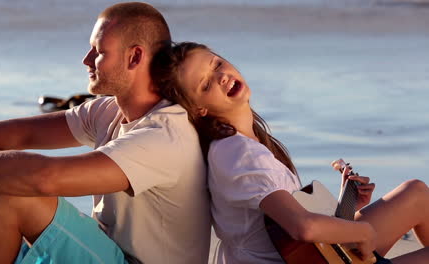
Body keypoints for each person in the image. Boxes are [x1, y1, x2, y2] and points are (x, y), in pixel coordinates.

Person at [0, 4, 211, 264]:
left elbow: (44, 179)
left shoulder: (164, 135)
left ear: (134, 57)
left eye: (99, 51)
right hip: (107, 252)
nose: (86, 59)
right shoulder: (109, 110)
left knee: (12, 196)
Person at [151, 41, 429, 264]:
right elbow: (303, 229)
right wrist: (363, 231)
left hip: (309, 255)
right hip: (300, 257)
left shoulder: (244, 141)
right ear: (199, 109)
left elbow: (285, 233)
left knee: (416, 193)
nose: (222, 76)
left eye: (217, 64)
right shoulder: (238, 155)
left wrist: (345, 208)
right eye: (207, 84)